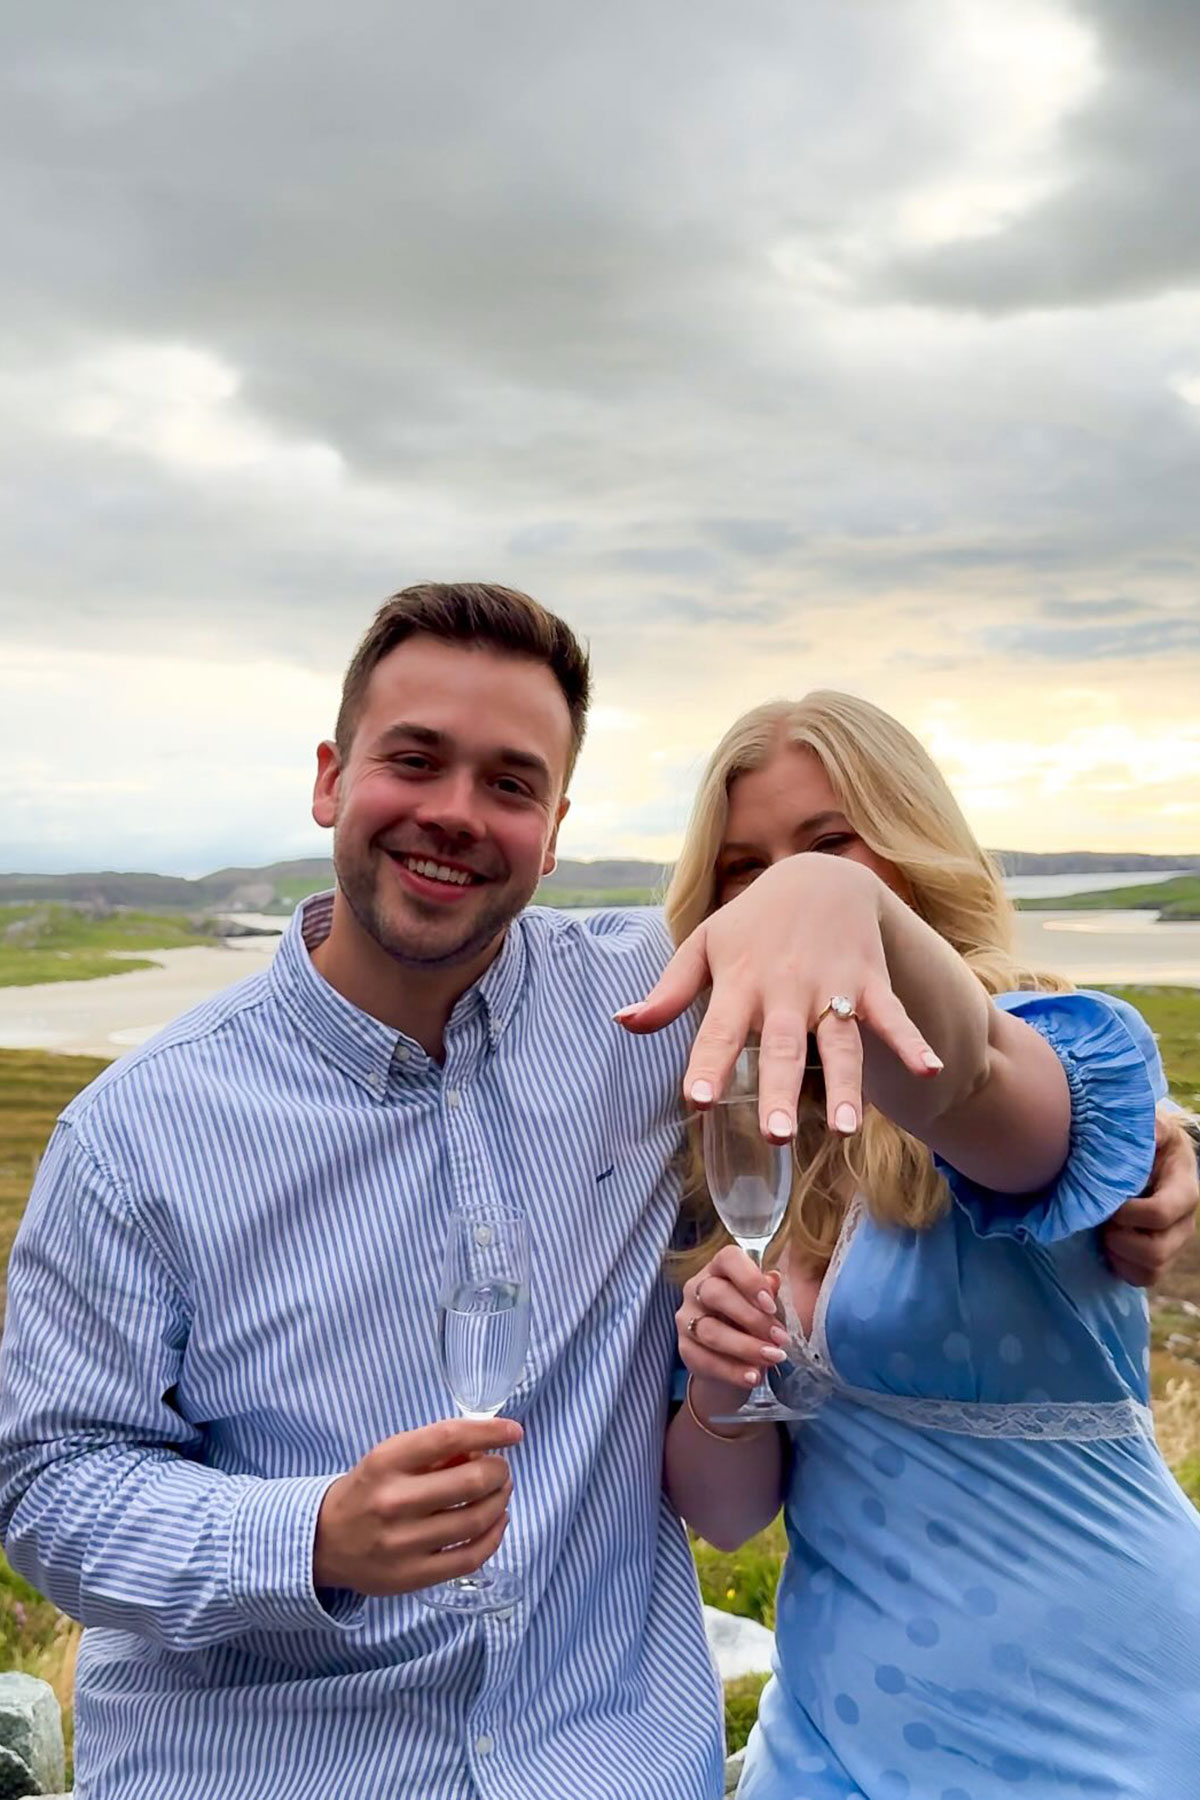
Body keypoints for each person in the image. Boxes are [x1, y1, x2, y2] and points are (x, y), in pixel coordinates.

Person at [0, 590, 1192, 1800]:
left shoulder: (661, 1003)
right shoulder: (137, 1134)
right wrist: (309, 1538)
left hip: (609, 1761)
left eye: (511, 783)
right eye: (416, 760)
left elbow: (988, 1070)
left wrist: (1152, 1136)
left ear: (556, 827)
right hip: (289, 1767)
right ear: (330, 779)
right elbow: (50, 1479)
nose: (456, 814)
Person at [659, 691, 1200, 1799]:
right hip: (839, 1728)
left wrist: (831, 902)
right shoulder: (738, 1122)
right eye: (744, 869)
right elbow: (727, 1517)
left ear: (905, 856)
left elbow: (975, 1084)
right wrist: (719, 1383)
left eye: (828, 845)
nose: (781, 897)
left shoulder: (1049, 1039)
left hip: (1096, 1711)